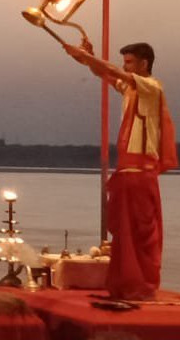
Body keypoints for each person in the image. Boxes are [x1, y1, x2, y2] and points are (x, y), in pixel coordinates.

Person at [64, 40, 176, 300]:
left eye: (129, 63)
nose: (125, 68)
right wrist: (86, 58)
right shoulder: (131, 89)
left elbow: (114, 72)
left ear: (143, 63)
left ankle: (141, 286)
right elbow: (106, 74)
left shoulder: (151, 86)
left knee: (141, 233)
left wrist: (87, 57)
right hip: (127, 171)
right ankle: (125, 286)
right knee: (124, 235)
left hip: (141, 172)